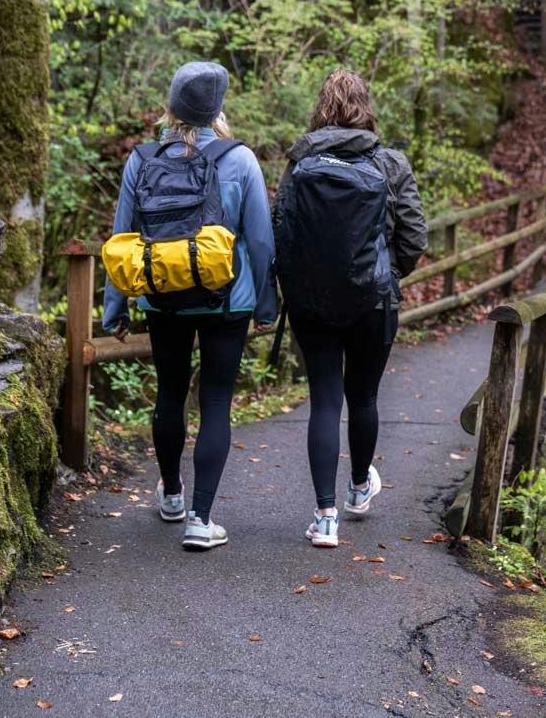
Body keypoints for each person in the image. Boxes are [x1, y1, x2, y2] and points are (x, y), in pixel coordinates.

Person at [102, 62, 276, 551]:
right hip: (229, 300)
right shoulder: (240, 160)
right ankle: (202, 519)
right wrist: (265, 300)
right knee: (216, 400)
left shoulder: (143, 159)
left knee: (170, 392)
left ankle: (173, 495)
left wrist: (114, 307)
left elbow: (123, 237)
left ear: (171, 106)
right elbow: (260, 242)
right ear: (218, 110)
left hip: (162, 297)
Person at [274, 69, 428, 548]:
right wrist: (387, 272)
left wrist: (298, 281)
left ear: (322, 106)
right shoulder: (389, 162)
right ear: (365, 106)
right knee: (363, 397)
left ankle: (324, 518)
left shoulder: (300, 160)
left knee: (325, 400)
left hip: (310, 302)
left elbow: (281, 225)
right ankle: (359, 488)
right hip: (373, 301)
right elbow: (415, 236)